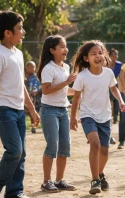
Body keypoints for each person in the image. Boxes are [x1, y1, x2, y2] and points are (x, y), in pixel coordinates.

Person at [70, 40, 125, 195]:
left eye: (100, 53)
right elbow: (76, 98)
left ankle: (100, 174)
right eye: (93, 53)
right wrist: (73, 118)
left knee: (105, 151)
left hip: (105, 116)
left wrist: (120, 101)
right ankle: (95, 180)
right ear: (86, 58)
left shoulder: (108, 73)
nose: (98, 56)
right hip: (88, 115)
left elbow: (113, 89)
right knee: (94, 144)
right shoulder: (82, 76)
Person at [0, 10, 40, 198]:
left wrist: (32, 110)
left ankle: (15, 191)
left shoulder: (19, 54)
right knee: (14, 150)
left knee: (21, 153)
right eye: (20, 29)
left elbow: (20, 84)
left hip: (18, 110)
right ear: (7, 32)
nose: (23, 32)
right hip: (3, 109)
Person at [37, 35, 77, 193]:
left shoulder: (65, 67)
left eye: (65, 46)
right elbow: (46, 91)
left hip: (63, 110)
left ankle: (59, 180)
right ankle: (46, 181)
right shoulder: (48, 68)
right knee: (52, 146)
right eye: (61, 46)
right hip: (49, 111)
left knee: (65, 147)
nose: (65, 49)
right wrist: (66, 82)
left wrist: (80, 91)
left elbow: (65, 91)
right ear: (52, 50)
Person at [25, 61, 41, 133]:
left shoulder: (37, 76)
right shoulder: (25, 78)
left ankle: (44, 124)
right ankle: (33, 126)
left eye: (34, 67)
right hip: (29, 97)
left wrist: (39, 92)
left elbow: (42, 85)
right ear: (26, 68)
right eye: (31, 67)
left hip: (38, 96)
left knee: (41, 110)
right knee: (32, 111)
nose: (32, 69)